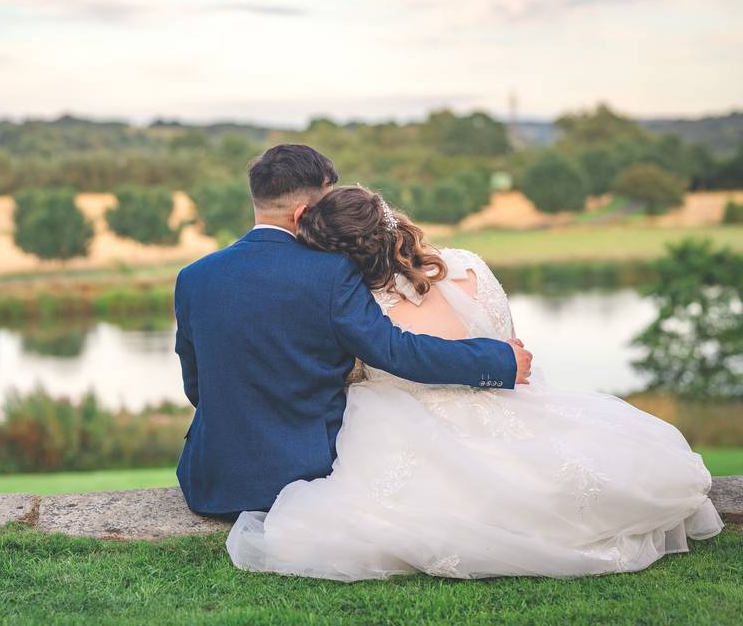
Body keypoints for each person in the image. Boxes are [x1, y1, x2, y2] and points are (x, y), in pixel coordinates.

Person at [226, 185, 723, 580]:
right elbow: (512, 345)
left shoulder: (362, 307)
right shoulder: (469, 265)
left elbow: (363, 367)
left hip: (411, 426)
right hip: (515, 405)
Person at [174, 145, 531, 518]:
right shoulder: (330, 273)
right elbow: (394, 351)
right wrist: (498, 360)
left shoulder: (193, 277)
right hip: (301, 478)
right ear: (302, 213)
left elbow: (195, 386)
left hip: (210, 481)